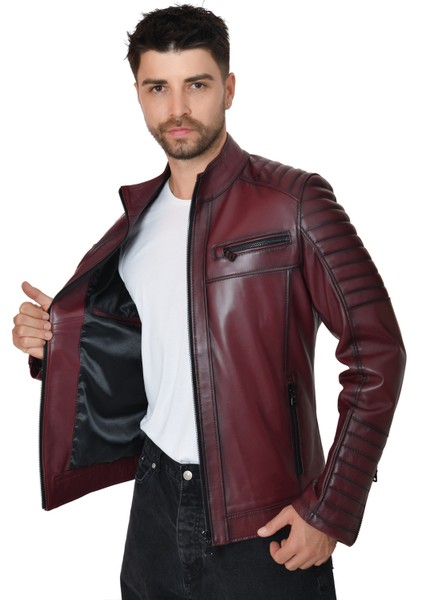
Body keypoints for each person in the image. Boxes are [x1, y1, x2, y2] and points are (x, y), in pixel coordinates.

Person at [12, 5, 406, 600]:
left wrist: (333, 505)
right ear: (138, 95)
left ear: (229, 88)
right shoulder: (135, 222)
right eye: (158, 88)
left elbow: (377, 352)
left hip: (265, 518)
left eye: (196, 85)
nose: (177, 108)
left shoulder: (295, 201)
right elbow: (144, 351)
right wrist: (54, 343)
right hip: (154, 504)